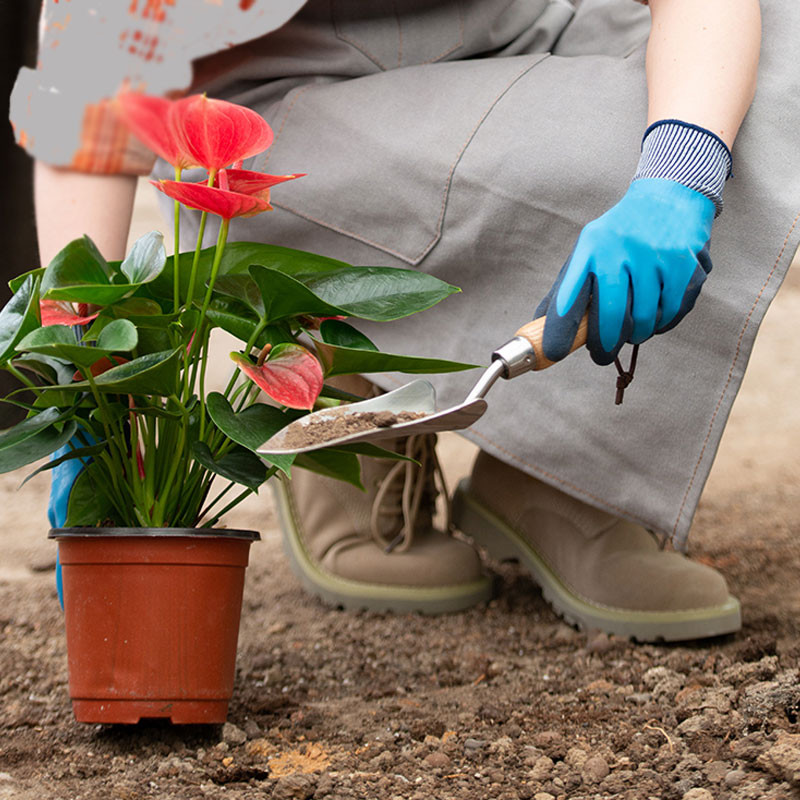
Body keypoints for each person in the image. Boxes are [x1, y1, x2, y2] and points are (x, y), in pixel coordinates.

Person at [12, 0, 798, 641]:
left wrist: (678, 179)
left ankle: (565, 471)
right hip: (287, 114)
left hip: (513, 32)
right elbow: (88, 104)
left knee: (757, 67)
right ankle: (336, 381)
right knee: (563, 144)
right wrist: (88, 389)